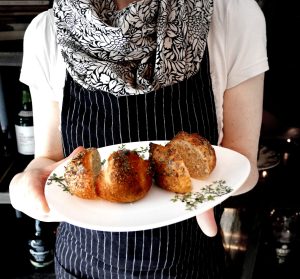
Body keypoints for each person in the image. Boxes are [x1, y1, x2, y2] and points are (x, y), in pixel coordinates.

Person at [9, 0, 268, 278]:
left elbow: (245, 165)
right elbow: (47, 158)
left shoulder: (234, 15)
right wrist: (26, 185)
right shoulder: (47, 30)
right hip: (82, 263)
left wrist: (206, 190)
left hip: (192, 265)